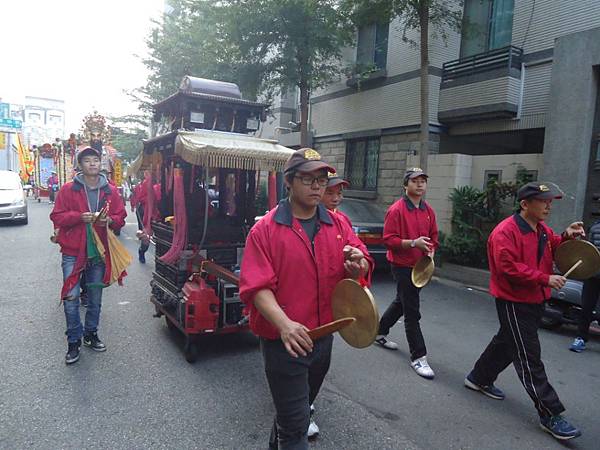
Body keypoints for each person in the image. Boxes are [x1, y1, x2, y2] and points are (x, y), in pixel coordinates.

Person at [239, 148, 373, 450]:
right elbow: (257, 286)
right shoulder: (266, 230)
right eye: (307, 178)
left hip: (323, 338)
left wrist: (358, 263)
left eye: (322, 180)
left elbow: (360, 257)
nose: (317, 186)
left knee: (294, 414)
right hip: (284, 341)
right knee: (297, 424)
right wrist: (285, 325)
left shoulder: (338, 225)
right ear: (289, 182)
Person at [464, 182, 584, 441]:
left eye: (550, 201)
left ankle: (478, 377)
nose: (549, 205)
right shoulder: (504, 233)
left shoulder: (541, 229)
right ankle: (550, 412)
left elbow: (552, 244)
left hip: (535, 299)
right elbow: (508, 268)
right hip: (513, 300)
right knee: (529, 355)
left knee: (508, 341)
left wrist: (565, 236)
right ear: (525, 204)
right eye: (544, 201)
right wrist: (545, 278)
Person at [50, 146, 127, 365]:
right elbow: (56, 216)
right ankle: (73, 341)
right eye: (87, 161)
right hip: (73, 251)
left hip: (99, 251)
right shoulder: (68, 189)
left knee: (95, 298)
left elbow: (120, 216)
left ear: (100, 164)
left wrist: (109, 221)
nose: (92, 163)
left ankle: (91, 334)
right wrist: (79, 217)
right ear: (80, 165)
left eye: (96, 160)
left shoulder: (110, 190)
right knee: (71, 297)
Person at [375, 168, 439, 379]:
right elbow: (388, 240)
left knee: (401, 302)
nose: (420, 184)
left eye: (423, 181)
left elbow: (434, 236)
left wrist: (431, 250)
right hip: (402, 265)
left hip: (420, 266)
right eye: (415, 181)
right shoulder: (396, 210)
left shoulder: (428, 210)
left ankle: (379, 331)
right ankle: (418, 357)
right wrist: (413, 243)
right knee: (412, 311)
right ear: (406, 185)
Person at [569, 219, 600, 352]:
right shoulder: (595, 227)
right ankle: (580, 338)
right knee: (586, 307)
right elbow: (588, 250)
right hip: (593, 274)